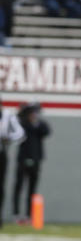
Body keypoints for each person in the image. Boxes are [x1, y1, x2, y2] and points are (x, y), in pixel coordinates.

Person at [12, 103, 50, 223]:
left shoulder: (39, 125)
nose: (33, 115)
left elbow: (47, 131)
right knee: (19, 187)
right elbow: (18, 130)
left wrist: (35, 121)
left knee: (32, 190)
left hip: (36, 159)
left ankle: (29, 215)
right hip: (22, 159)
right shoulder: (23, 124)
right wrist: (23, 114)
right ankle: (16, 214)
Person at [0, 95, 26, 227]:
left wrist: (8, 138)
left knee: (0, 187)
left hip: (1, 154)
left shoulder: (7, 116)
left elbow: (20, 133)